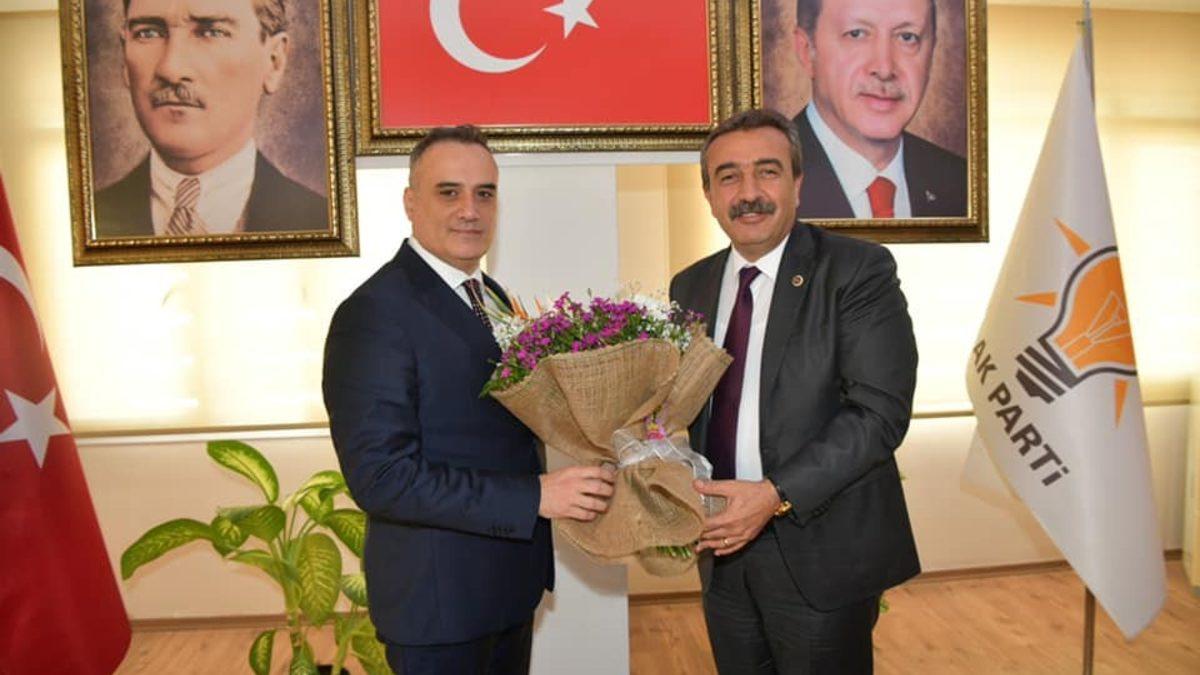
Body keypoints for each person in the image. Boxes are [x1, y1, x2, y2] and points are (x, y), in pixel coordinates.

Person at [322, 126, 615, 675]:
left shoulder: (492, 297)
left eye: (485, 193)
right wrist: (535, 496)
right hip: (439, 608)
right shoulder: (374, 313)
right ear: (411, 202)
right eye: (448, 192)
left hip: (506, 591)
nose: (470, 210)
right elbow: (382, 477)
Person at [670, 109, 920, 674]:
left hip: (820, 552)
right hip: (723, 551)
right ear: (708, 194)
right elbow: (686, 404)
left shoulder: (857, 270)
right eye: (729, 176)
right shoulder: (690, 285)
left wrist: (773, 494)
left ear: (798, 183)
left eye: (767, 171)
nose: (748, 193)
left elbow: (879, 413)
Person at [93, 0, 327, 238]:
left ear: (274, 61)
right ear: (124, 57)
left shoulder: (321, 223)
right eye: (148, 33)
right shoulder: (86, 224)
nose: (171, 69)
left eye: (212, 32)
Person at [791, 0, 965, 219]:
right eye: (856, 34)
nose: (884, 69)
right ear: (807, 51)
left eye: (907, 37)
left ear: (931, 53)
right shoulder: (767, 185)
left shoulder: (961, 184)